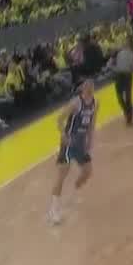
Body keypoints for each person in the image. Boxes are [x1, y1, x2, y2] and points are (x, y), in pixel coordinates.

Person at [48, 80, 98, 226]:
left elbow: (92, 124)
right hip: (69, 142)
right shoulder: (76, 103)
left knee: (87, 172)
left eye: (91, 85)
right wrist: (63, 135)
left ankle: (73, 193)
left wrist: (90, 141)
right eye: (87, 85)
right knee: (62, 173)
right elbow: (59, 119)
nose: (90, 87)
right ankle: (53, 210)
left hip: (81, 143)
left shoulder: (95, 103)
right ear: (82, 87)